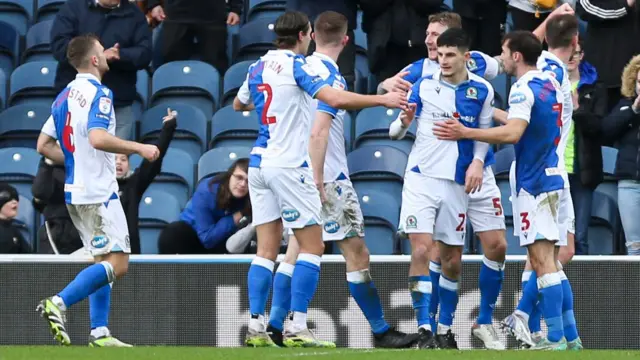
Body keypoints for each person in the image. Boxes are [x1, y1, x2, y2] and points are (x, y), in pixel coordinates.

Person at [232, 11, 407, 348]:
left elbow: (239, 103)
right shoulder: (300, 67)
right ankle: (298, 325)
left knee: (268, 250)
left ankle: (258, 326)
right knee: (313, 246)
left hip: (258, 162)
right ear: (304, 34)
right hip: (291, 165)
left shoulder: (258, 66)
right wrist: (383, 98)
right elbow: (335, 101)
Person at [433, 30, 572, 351]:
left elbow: (513, 132)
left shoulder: (523, 89)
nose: (502, 59)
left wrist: (466, 131)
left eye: (504, 53)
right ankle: (568, 336)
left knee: (542, 260)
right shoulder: (551, 82)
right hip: (553, 175)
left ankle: (554, 338)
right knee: (550, 258)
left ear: (517, 56)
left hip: (533, 181)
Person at [380, 12, 508, 350]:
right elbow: (395, 130)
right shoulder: (423, 83)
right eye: (439, 53)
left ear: (466, 56)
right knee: (421, 248)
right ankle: (424, 328)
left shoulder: (481, 89)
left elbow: (483, 133)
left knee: (452, 259)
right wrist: (404, 122)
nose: (442, 59)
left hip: (456, 182)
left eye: (449, 54)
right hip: (421, 178)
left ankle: (446, 329)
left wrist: (478, 163)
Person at [35, 34, 160, 347]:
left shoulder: (62, 96)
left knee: (102, 260)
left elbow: (43, 145)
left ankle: (99, 332)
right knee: (118, 264)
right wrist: (138, 147)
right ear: (94, 59)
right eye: (102, 49)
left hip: (76, 192)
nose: (108, 53)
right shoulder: (100, 93)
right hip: (99, 191)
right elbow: (98, 138)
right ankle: (58, 303)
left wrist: (75, 159)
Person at [51, 0, 152, 140]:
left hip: (117, 104)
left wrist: (120, 55)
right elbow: (59, 47)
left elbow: (145, 54)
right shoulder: (73, 8)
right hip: (75, 102)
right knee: (72, 158)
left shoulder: (135, 15)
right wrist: (94, 56)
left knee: (116, 161)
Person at [157, 158, 255, 254]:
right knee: (172, 234)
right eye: (239, 177)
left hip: (223, 241)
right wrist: (235, 217)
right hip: (194, 236)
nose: (242, 184)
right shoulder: (208, 190)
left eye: (248, 180)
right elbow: (207, 238)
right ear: (230, 176)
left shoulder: (252, 196)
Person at [115, 108, 177, 254]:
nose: (118, 163)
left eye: (123, 159)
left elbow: (153, 160)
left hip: (130, 254)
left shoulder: (133, 184)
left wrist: (168, 128)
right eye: (114, 159)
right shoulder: (98, 184)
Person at [566, 39, 607, 255]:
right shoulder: (549, 84)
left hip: (583, 171)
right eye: (568, 52)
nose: (572, 57)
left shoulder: (595, 88)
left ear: (582, 56)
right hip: (555, 170)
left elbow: (599, 127)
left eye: (576, 53)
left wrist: (577, 110)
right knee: (553, 236)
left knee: (579, 238)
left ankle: (578, 288)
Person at [602, 55, 640, 255]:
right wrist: (633, 110)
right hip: (630, 184)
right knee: (634, 246)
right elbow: (607, 130)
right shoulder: (626, 106)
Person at [32, 157, 83, 254]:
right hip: (56, 228)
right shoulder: (50, 167)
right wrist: (48, 162)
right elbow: (39, 193)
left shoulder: (84, 165)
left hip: (82, 225)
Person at [0, 183, 33, 254]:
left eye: (16, 198)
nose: (15, 202)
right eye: (8, 199)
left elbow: (29, 257)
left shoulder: (15, 231)